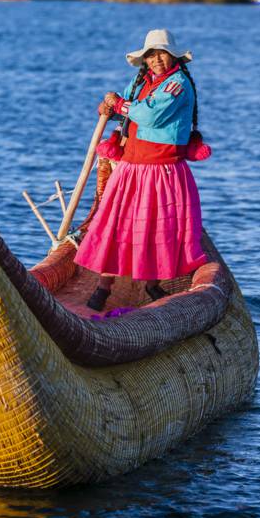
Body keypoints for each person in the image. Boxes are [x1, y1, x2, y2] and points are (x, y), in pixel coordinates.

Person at [73, 29, 212, 311]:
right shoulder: (141, 82)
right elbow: (126, 104)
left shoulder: (177, 85)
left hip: (160, 171)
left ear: (173, 56)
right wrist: (109, 107)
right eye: (151, 55)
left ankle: (151, 284)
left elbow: (149, 115)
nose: (157, 59)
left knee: (155, 228)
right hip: (131, 167)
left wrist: (120, 104)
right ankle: (104, 286)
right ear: (145, 60)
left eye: (162, 53)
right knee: (116, 225)